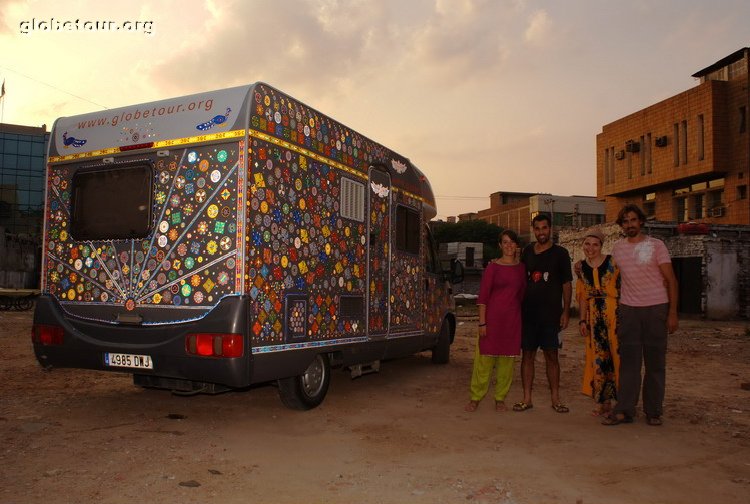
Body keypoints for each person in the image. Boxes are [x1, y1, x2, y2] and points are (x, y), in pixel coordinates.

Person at [602, 204, 678, 426]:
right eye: (625, 221)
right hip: (629, 311)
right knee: (629, 365)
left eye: (633, 220)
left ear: (641, 222)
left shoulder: (657, 246)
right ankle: (625, 410)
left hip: (656, 309)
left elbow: (671, 280)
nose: (629, 225)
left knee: (655, 364)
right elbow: (605, 270)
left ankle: (653, 411)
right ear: (621, 225)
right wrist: (580, 266)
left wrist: (672, 313)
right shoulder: (618, 249)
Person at [514, 214, 572, 413]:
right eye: (537, 228)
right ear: (533, 230)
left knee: (552, 356)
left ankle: (556, 399)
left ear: (551, 229)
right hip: (528, 315)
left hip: (551, 316)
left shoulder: (561, 254)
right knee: (527, 356)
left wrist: (566, 311)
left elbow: (566, 284)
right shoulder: (528, 251)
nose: (541, 232)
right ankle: (526, 399)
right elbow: (520, 279)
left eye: (544, 228)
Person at [465, 230, 526, 412]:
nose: (508, 246)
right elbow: (483, 297)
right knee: (483, 361)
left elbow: (521, 295)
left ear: (516, 245)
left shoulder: (521, 268)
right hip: (491, 321)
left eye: (512, 242)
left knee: (506, 364)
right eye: (505, 242)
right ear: (500, 245)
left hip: (512, 322)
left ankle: (500, 399)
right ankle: (475, 397)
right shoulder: (492, 268)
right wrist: (482, 323)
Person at [577, 227, 620, 417]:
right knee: (598, 358)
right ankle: (603, 401)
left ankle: (623, 402)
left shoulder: (613, 262)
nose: (591, 248)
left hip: (614, 313)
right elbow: (582, 297)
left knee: (617, 358)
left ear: (601, 246)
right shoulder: (580, 268)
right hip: (594, 317)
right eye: (587, 244)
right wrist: (582, 320)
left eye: (595, 244)